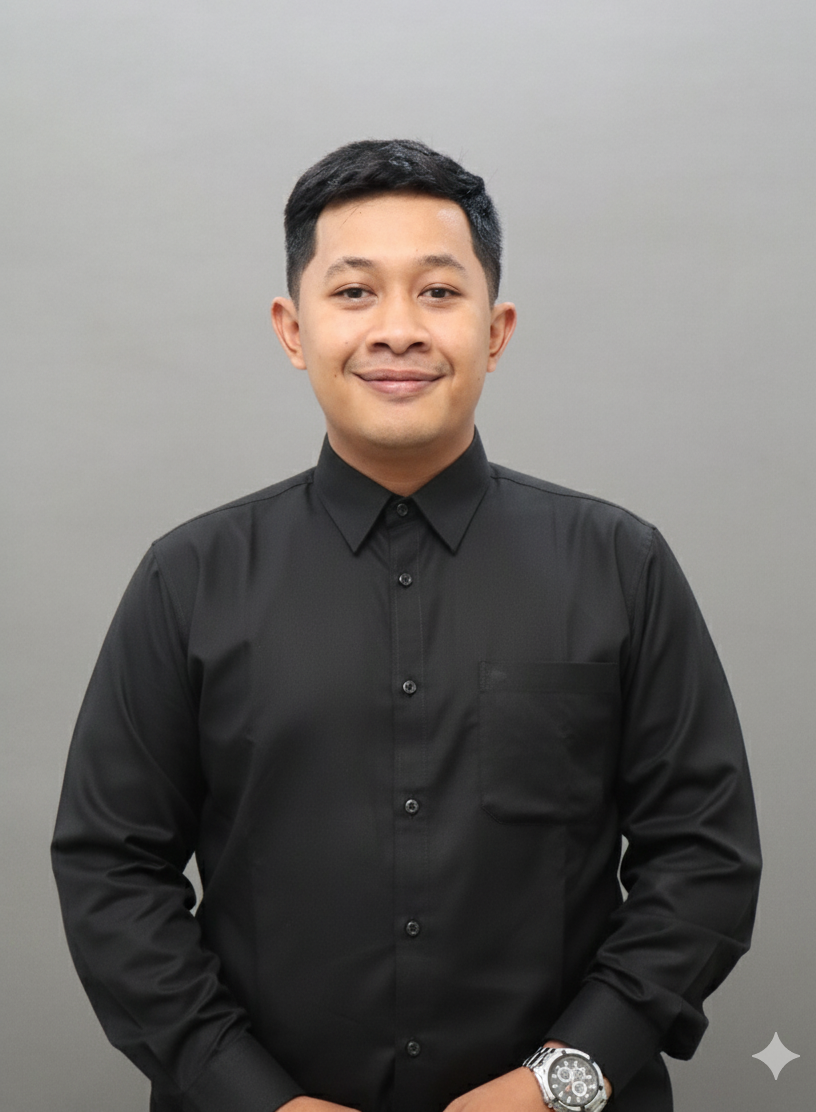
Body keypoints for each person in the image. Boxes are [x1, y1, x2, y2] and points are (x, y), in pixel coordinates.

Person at [51, 139, 762, 1112]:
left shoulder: (619, 565)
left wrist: (557, 1084)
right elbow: (111, 867)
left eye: (438, 292)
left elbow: (705, 857)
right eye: (353, 293)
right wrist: (251, 1096)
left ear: (495, 329)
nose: (397, 330)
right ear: (292, 327)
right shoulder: (189, 578)